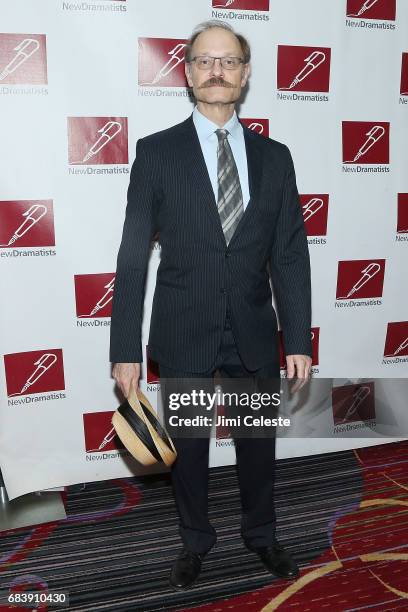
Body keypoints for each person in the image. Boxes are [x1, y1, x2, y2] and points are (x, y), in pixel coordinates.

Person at [109, 19, 312, 590]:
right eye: (204, 60)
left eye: (229, 61)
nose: (216, 70)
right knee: (190, 453)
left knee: (257, 448)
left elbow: (291, 254)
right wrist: (124, 346)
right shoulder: (156, 153)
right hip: (184, 327)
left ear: (245, 75)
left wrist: (297, 337)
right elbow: (131, 257)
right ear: (189, 73)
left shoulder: (276, 158)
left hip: (251, 327)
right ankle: (195, 541)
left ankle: (262, 535)